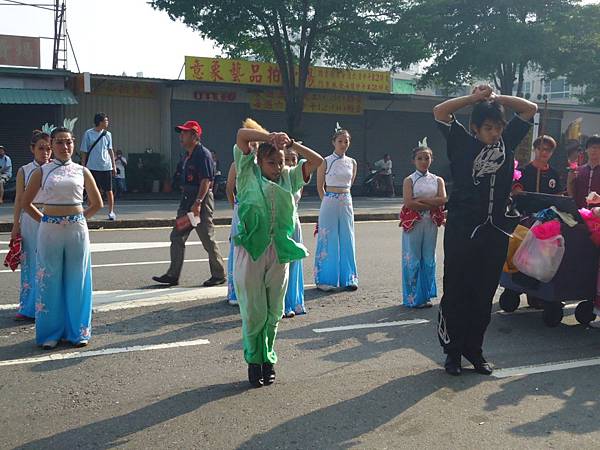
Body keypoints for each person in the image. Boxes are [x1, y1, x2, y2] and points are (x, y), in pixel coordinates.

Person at [433, 84, 537, 376]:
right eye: (488, 128)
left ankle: (474, 350)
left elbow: (530, 109)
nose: (495, 133)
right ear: (475, 128)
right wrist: (476, 99)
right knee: (456, 291)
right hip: (463, 230)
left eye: (498, 127)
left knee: (484, 293)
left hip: (495, 232)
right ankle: (452, 352)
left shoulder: (506, 143)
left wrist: (496, 98)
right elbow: (440, 111)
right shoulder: (460, 142)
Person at [233, 126, 323, 388]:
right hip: (251, 251)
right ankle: (253, 361)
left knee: (274, 312)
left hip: (279, 251)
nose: (276, 166)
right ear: (258, 161)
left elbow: (317, 162)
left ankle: (268, 360)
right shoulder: (247, 173)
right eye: (271, 162)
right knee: (254, 312)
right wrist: (269, 138)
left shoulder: (289, 178)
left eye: (280, 162)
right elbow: (242, 135)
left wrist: (292, 144)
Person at [22, 126, 103, 349]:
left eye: (68, 142)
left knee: (78, 279)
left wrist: (78, 219)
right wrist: (46, 220)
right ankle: (50, 333)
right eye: (59, 142)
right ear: (52, 145)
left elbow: (97, 204)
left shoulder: (82, 171)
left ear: (74, 144)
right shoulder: (43, 171)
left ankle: (77, 332)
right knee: (49, 280)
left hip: (77, 231)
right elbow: (25, 203)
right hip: (49, 231)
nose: (64, 146)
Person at [152, 120, 226, 287]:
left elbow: (206, 180)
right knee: (177, 235)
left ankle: (219, 274)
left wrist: (198, 203)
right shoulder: (188, 155)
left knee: (207, 238)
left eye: (185, 133)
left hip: (199, 202)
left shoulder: (203, 154)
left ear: (195, 135)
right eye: (181, 132)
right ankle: (173, 275)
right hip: (187, 202)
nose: (181, 136)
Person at [11, 131, 52, 321]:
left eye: (48, 149)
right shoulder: (24, 170)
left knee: (49, 262)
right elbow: (19, 199)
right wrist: (15, 225)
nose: (45, 153)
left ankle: (49, 303)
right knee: (30, 263)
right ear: (32, 149)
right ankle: (28, 306)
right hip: (29, 219)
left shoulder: (56, 169)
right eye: (41, 148)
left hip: (52, 217)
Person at [400, 142, 447, 309]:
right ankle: (412, 297)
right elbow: (409, 203)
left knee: (428, 258)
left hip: (431, 223)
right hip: (414, 222)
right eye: (420, 158)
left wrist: (421, 201)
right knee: (412, 258)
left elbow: (443, 200)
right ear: (413, 161)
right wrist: (431, 204)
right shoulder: (409, 180)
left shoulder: (437, 180)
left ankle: (425, 295)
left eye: (426, 158)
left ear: (431, 159)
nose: (423, 161)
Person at [314, 125, 359, 292]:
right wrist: (327, 200)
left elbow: (350, 183)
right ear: (333, 142)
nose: (343, 144)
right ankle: (325, 278)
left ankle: (349, 278)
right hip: (329, 199)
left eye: (346, 141)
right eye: (340, 141)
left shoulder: (352, 162)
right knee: (327, 238)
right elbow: (320, 186)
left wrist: (342, 196)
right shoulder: (325, 161)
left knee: (348, 236)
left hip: (346, 199)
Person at [80, 112, 117, 220]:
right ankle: (89, 212)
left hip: (106, 166)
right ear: (100, 122)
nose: (107, 122)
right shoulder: (88, 133)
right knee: (91, 190)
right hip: (92, 166)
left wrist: (114, 166)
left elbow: (110, 151)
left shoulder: (108, 134)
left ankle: (111, 212)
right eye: (106, 120)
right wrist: (83, 166)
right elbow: (84, 151)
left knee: (109, 190)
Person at [284, 147, 307, 318]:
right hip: (279, 225)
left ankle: (293, 302)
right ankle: (280, 304)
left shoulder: (298, 177)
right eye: (287, 159)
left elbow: (316, 161)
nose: (290, 163)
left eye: (293, 159)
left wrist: (295, 145)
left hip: (295, 223)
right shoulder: (276, 178)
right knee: (280, 264)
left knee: (294, 264)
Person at [568, 135, 600, 208]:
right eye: (591, 147)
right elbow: (571, 194)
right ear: (586, 149)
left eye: (598, 147)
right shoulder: (578, 170)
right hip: (579, 214)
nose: (594, 150)